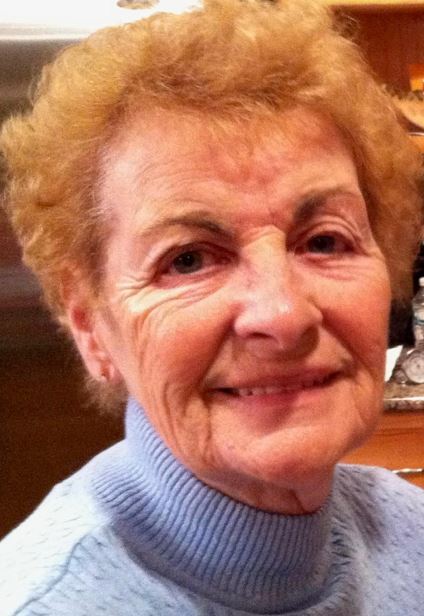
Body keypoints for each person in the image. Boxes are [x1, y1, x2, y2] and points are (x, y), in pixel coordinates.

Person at [1, 0, 424, 613]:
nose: (284, 314)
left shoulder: (407, 529)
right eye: (189, 259)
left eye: (324, 241)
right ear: (91, 327)